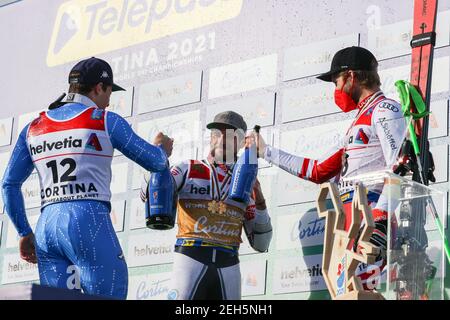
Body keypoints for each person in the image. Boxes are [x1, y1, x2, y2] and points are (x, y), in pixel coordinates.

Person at [1, 57, 173, 299]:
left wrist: (23, 232)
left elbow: (8, 184)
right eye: (109, 92)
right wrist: (162, 149)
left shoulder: (33, 127)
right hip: (88, 221)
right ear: (98, 88)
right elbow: (154, 161)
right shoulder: (104, 120)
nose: (109, 101)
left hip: (47, 229)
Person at [250, 46, 407, 290]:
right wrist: (266, 151)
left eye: (336, 82)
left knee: (362, 294)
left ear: (351, 77)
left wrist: (381, 221)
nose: (335, 90)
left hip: (371, 221)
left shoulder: (385, 109)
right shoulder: (357, 122)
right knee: (348, 294)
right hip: (349, 225)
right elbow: (318, 170)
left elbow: (399, 166)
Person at [141, 111, 273, 300]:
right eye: (216, 134)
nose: (221, 140)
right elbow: (148, 195)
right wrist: (155, 157)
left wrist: (259, 198)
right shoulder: (188, 168)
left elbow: (261, 243)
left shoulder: (246, 181)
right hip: (190, 256)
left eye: (229, 135)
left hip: (229, 262)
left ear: (242, 141)